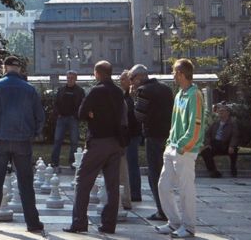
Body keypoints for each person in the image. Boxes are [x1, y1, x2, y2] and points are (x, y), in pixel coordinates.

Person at [0, 56, 44, 233]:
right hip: (23, 141)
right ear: (19, 69)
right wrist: (33, 134)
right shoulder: (29, 90)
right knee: (25, 183)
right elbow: (40, 117)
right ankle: (32, 223)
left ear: (4, 68)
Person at [63, 60, 124, 235]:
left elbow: (81, 113)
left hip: (98, 141)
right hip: (115, 142)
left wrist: (92, 114)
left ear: (97, 73)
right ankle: (109, 224)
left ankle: (79, 222)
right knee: (112, 186)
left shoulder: (96, 91)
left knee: (83, 182)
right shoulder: (118, 92)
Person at [155, 58, 206, 239]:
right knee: (163, 185)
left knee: (186, 189)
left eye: (173, 72)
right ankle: (174, 222)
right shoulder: (179, 94)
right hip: (172, 147)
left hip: (185, 150)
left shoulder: (195, 94)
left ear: (181, 73)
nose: (172, 75)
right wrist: (170, 143)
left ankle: (189, 226)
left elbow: (196, 124)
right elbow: (175, 123)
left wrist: (184, 146)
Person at [129, 64, 173, 221]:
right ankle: (170, 209)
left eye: (132, 78)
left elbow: (139, 115)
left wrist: (134, 98)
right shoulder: (166, 89)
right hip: (168, 135)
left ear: (140, 77)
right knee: (166, 173)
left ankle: (162, 210)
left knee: (154, 174)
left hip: (153, 135)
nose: (131, 82)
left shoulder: (143, 91)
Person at [50, 70, 84, 169]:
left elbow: (82, 105)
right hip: (62, 118)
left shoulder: (80, 91)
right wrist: (58, 113)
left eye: (72, 78)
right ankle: (54, 162)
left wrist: (76, 116)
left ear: (76, 79)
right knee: (57, 140)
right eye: (68, 78)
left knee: (74, 141)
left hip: (73, 119)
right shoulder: (61, 90)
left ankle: (73, 162)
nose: (69, 80)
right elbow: (56, 103)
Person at [120, 69, 142, 201]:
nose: (121, 81)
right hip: (128, 134)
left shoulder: (133, 95)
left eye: (123, 79)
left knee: (132, 163)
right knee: (129, 163)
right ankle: (131, 191)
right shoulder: (126, 95)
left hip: (132, 133)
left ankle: (135, 192)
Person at [200, 104, 239, 178]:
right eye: (219, 111)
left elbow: (235, 136)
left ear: (228, 113)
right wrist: (208, 144)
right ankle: (213, 171)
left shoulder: (232, 123)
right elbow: (208, 134)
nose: (220, 113)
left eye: (222, 111)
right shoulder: (215, 123)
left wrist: (232, 145)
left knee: (234, 150)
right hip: (215, 144)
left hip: (226, 144)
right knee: (205, 152)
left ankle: (233, 168)